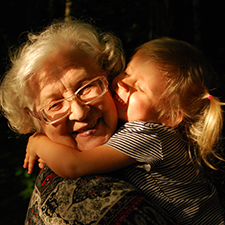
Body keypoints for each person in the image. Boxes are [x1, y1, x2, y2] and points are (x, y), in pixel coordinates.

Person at [25, 37, 225, 224]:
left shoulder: (148, 135)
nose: (123, 83)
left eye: (141, 88)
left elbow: (73, 165)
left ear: (170, 116)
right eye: (128, 73)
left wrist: (39, 143)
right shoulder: (150, 130)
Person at [0, 20, 176, 225]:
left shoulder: (149, 129)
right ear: (37, 120)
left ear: (108, 79)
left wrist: (40, 143)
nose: (80, 112)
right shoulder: (80, 200)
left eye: (85, 88)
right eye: (55, 105)